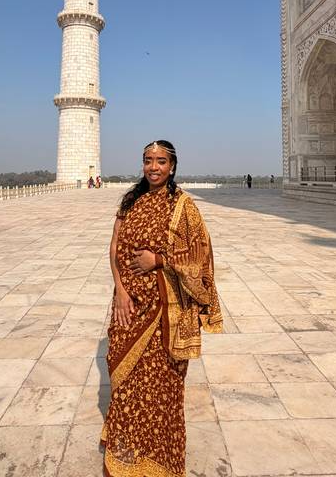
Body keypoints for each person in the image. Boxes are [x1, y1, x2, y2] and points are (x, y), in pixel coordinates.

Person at [101, 140, 222, 477]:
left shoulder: (183, 207)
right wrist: (121, 292)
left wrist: (160, 260)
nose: (153, 167)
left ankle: (159, 458)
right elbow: (114, 249)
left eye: (161, 161)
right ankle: (125, 444)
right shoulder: (131, 200)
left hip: (165, 313)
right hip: (128, 306)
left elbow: (201, 258)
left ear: (172, 166)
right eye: (148, 161)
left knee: (161, 387)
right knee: (124, 377)